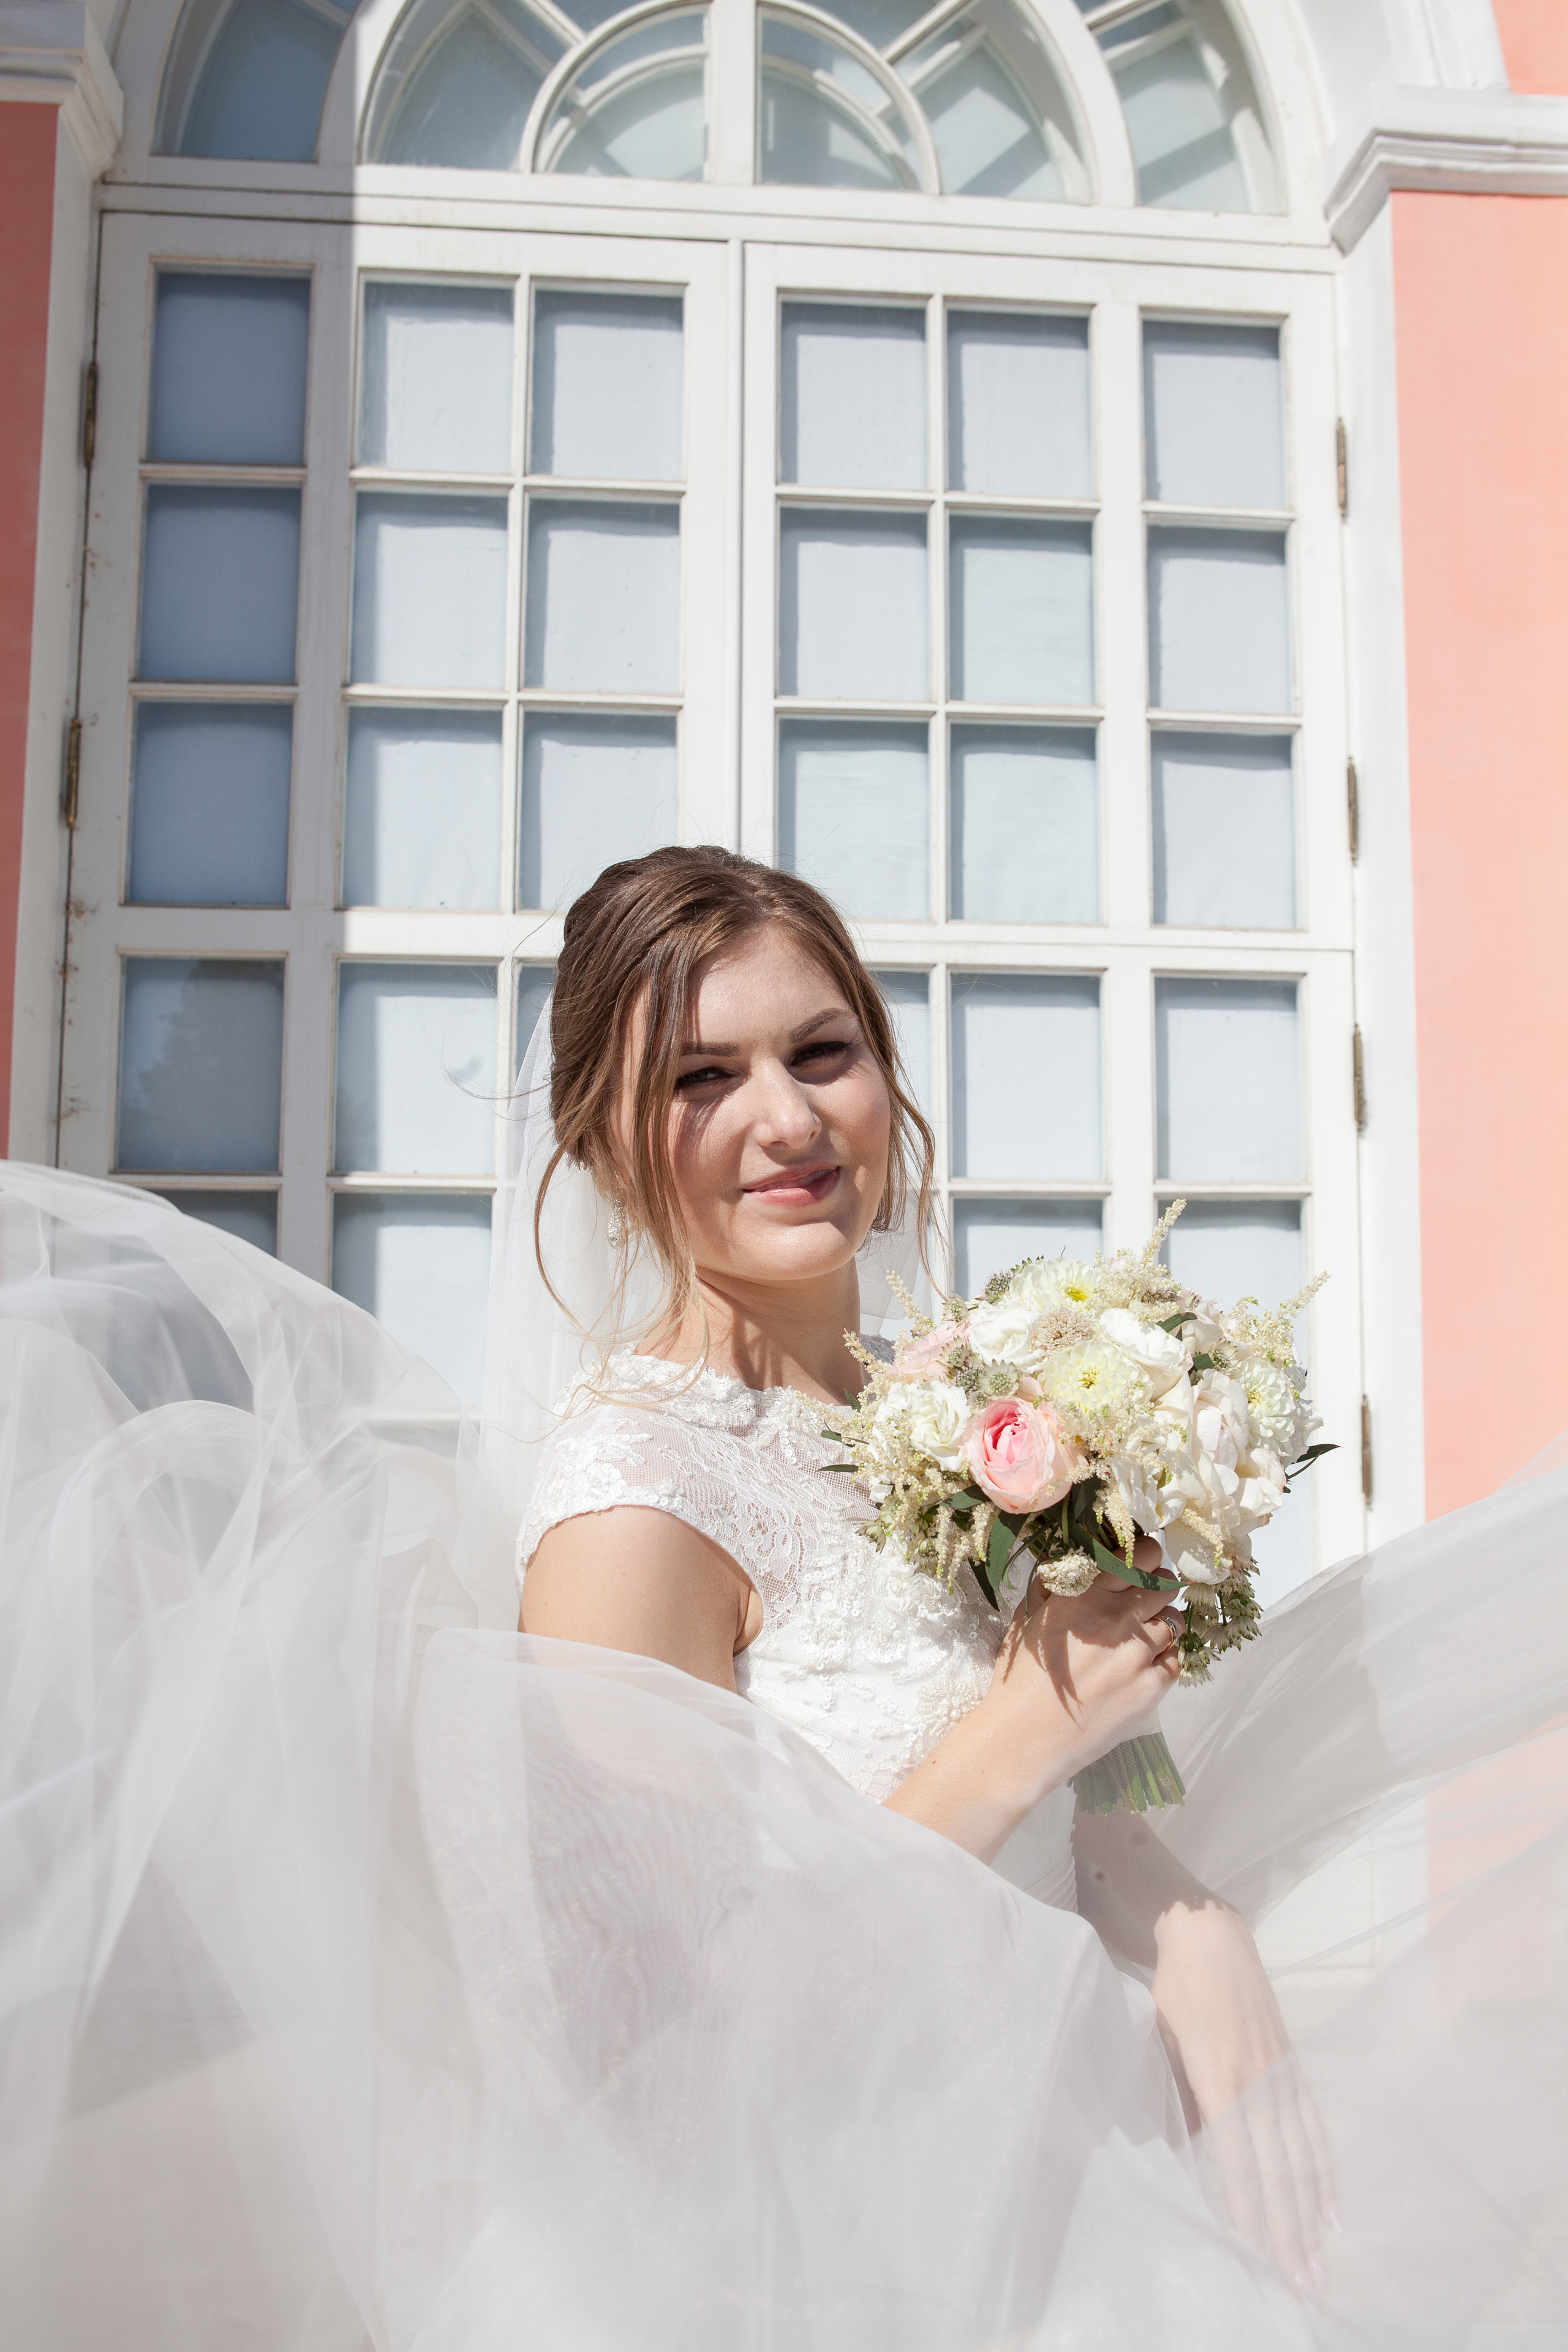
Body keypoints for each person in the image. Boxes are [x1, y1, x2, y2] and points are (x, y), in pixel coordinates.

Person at [1, 844, 1564, 2350]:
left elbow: (1095, 1766)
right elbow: (652, 2046)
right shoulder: (636, 1505)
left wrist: (1172, 1898)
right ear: (606, 1146)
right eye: (701, 1078)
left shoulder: (945, 1415)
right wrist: (1014, 1737)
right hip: (834, 2265)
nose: (785, 1118)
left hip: (1077, 2157)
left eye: (823, 1052)